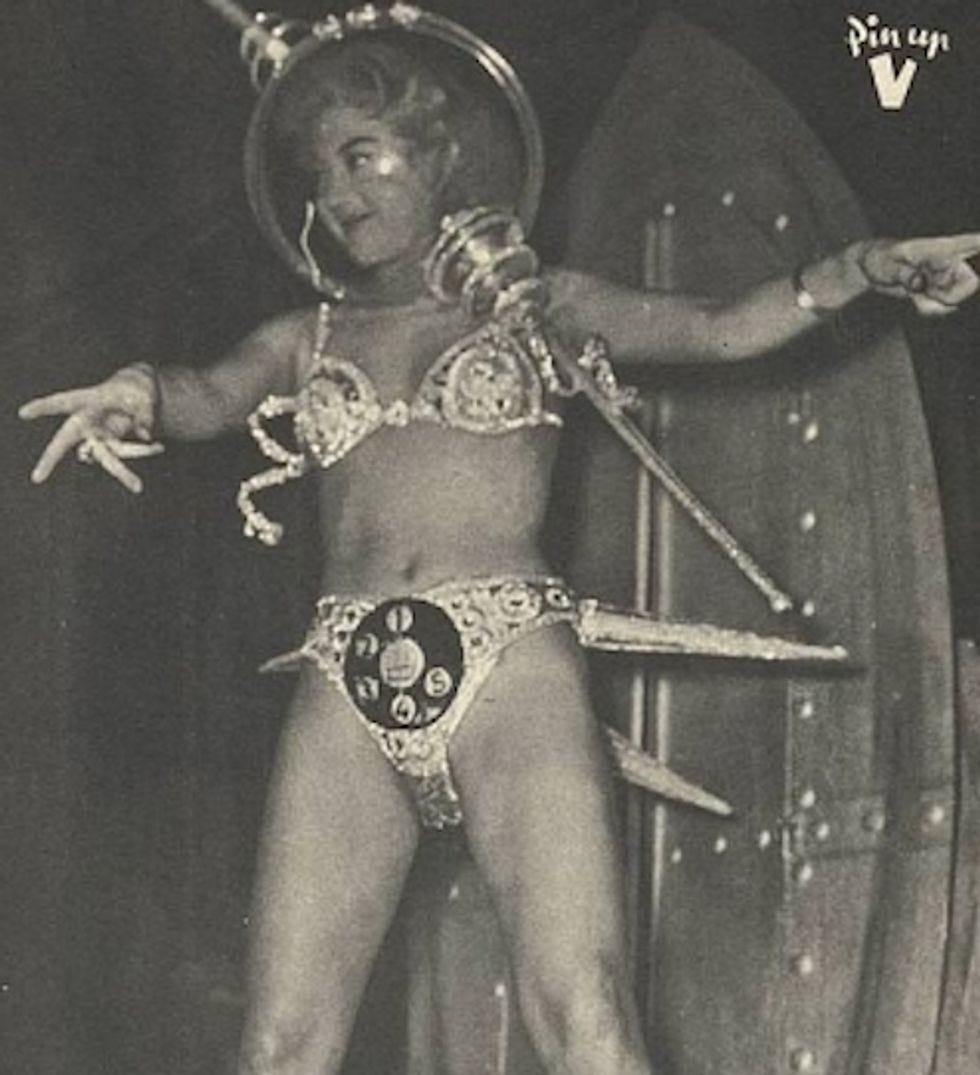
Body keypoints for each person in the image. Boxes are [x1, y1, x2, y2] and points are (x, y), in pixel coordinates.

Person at [17, 8, 980, 1074]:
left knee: (586, 1014)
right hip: (344, 669)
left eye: (360, 155)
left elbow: (718, 326)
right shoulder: (307, 336)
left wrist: (860, 268)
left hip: (510, 661)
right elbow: (206, 392)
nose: (336, 193)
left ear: (438, 154)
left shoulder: (539, 305)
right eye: (318, 173)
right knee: (280, 1047)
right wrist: (138, 393)